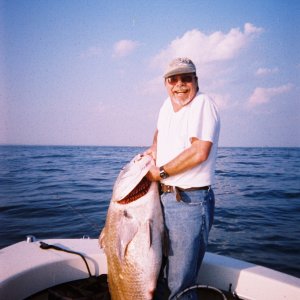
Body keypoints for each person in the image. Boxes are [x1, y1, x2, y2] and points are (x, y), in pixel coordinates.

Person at [145, 57, 220, 300]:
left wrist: (161, 172)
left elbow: (199, 151)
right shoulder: (167, 106)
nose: (179, 84)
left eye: (186, 78)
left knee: (180, 283)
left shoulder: (202, 104)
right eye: (173, 79)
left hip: (189, 202)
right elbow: (159, 131)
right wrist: (154, 149)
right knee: (156, 273)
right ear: (166, 83)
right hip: (162, 198)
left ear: (196, 81)